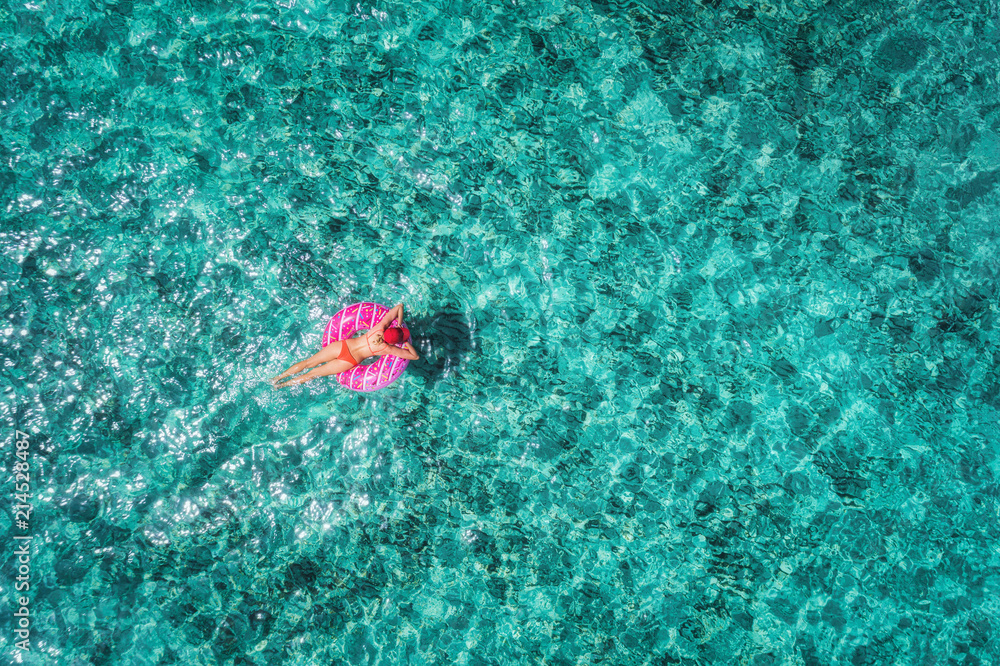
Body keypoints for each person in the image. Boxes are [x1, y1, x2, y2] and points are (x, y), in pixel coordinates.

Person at [272, 302, 419, 388]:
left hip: (341, 346)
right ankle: (281, 386)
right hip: (348, 361)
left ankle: (278, 377)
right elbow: (414, 356)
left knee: (308, 363)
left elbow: (400, 306)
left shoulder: (379, 328)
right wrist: (404, 342)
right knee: (313, 374)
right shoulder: (388, 348)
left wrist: (399, 323)